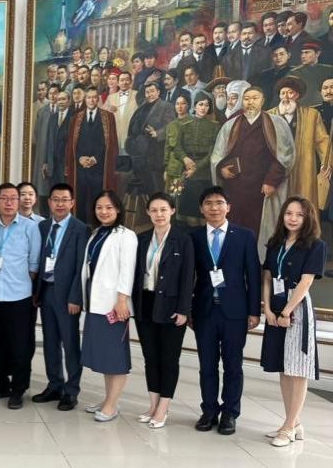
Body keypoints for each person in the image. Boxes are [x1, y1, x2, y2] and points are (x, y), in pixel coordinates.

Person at [190, 186, 261, 435]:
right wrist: (188, 309)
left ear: (228, 207)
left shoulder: (244, 236)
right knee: (207, 365)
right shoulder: (194, 237)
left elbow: (253, 275)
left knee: (233, 365)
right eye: (208, 203)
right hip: (204, 311)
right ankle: (209, 410)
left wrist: (254, 311)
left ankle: (230, 413)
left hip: (235, 312)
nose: (214, 207)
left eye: (219, 202)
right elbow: (188, 276)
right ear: (201, 209)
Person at [260, 196, 326, 446]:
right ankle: (293, 422)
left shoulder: (315, 245)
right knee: (283, 367)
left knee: (297, 369)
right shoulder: (275, 243)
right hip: (275, 305)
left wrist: (287, 311)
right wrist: (268, 309)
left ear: (308, 218)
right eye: (289, 213)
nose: (293, 218)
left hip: (296, 307)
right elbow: (267, 278)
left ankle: (288, 428)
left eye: (299, 214)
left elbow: (306, 282)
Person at [131, 193, 194, 429]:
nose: (159, 214)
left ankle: (163, 408)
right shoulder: (141, 239)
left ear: (172, 211)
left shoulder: (183, 240)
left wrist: (183, 310)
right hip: (145, 303)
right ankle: (152, 404)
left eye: (163, 210)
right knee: (150, 357)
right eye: (154, 210)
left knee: (169, 358)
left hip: (171, 306)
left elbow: (188, 277)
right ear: (148, 212)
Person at [0, 183, 41, 410]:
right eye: (4, 198)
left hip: (20, 296)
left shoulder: (30, 227)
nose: (9, 202)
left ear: (18, 201)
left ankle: (18, 389)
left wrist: (25, 285)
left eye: (13, 198)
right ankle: (0, 384)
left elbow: (34, 264)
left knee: (20, 345)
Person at [211, 87, 294, 251]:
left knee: (257, 231)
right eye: (247, 98)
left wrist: (271, 181)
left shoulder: (276, 123)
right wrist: (222, 169)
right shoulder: (231, 125)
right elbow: (219, 155)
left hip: (262, 188)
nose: (250, 102)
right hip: (235, 188)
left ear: (263, 101)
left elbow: (284, 156)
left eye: (255, 98)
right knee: (234, 228)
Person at [80, 190, 137, 422]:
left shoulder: (126, 236)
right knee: (104, 356)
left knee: (116, 357)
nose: (103, 212)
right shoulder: (96, 233)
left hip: (114, 305)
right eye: (99, 207)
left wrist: (122, 300)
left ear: (118, 209)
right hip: (96, 302)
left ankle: (112, 406)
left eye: (109, 207)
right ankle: (108, 400)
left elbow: (127, 270)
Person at [32, 183, 88, 411]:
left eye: (65, 200)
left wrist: (76, 297)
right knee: (50, 341)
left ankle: (71, 390)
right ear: (49, 202)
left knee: (70, 343)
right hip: (46, 290)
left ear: (72, 203)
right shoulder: (43, 226)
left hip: (67, 295)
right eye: (56, 199)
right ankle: (54, 384)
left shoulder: (81, 229)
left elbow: (81, 267)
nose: (60, 204)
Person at [267, 76, 331, 210]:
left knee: (304, 204)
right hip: (277, 169)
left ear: (297, 95)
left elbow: (322, 140)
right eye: (283, 93)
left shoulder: (312, 115)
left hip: (304, 168)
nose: (286, 97)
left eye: (290, 93)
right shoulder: (268, 116)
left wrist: (326, 164)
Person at [66, 87, 119, 222]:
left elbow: (111, 144)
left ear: (98, 99)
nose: (91, 100)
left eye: (94, 97)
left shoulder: (108, 117)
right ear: (85, 99)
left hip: (100, 168)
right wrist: (80, 158)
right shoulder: (76, 119)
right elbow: (72, 144)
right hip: (80, 168)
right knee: (80, 200)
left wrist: (95, 159)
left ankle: (98, 227)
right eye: (89, 97)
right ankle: (81, 227)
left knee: (98, 200)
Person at [170, 92, 221, 224]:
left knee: (203, 216)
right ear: (194, 106)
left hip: (204, 174)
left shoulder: (215, 127)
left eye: (207, 105)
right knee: (189, 215)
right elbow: (177, 148)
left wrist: (195, 168)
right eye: (200, 104)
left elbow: (212, 153)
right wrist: (185, 158)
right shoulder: (184, 126)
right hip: (186, 171)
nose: (203, 108)